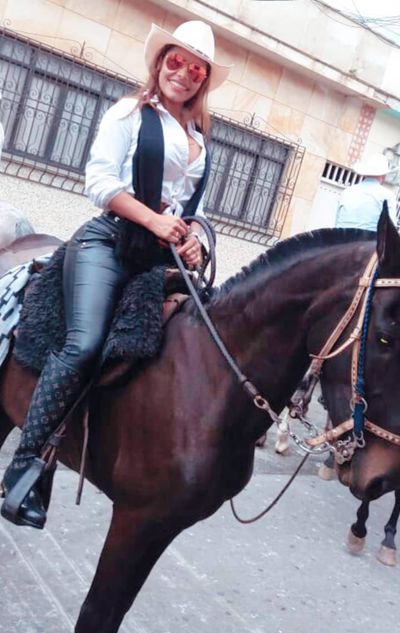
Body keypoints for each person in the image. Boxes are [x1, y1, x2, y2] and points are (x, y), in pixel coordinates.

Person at [0, 19, 231, 529]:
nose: (184, 73)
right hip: (107, 243)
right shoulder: (130, 111)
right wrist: (154, 220)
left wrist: (193, 236)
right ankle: (26, 466)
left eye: (196, 69)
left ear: (204, 80)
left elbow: (191, 209)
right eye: (176, 61)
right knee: (84, 344)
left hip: (158, 259)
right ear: (160, 62)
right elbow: (99, 181)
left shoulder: (200, 139)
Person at [335, 153, 397, 230]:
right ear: (383, 176)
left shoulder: (346, 192)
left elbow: (337, 222)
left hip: (340, 236)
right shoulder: (387, 196)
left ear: (365, 174)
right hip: (368, 237)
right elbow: (391, 229)